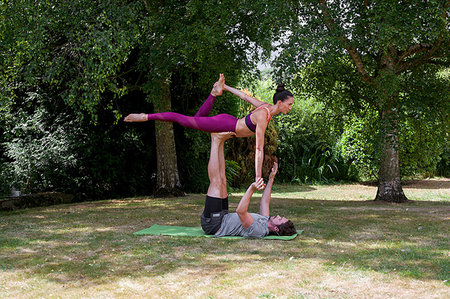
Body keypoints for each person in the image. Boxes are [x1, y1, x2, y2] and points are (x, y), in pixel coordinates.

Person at [124, 74, 294, 181]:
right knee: (182, 119)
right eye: (289, 104)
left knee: (196, 120)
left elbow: (243, 96)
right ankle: (145, 116)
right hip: (226, 124)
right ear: (279, 102)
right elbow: (259, 148)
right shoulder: (264, 115)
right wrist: (257, 176)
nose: (290, 107)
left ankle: (215, 92)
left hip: (228, 122)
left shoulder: (266, 108)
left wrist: (225, 87)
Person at [201, 132, 296, 238]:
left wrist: (252, 188)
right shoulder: (266, 221)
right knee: (222, 181)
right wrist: (271, 178)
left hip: (214, 225)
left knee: (216, 183)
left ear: (276, 228)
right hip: (223, 217)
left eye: (279, 219)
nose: (278, 216)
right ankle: (220, 142)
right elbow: (264, 202)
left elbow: (240, 211)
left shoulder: (258, 230)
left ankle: (215, 141)